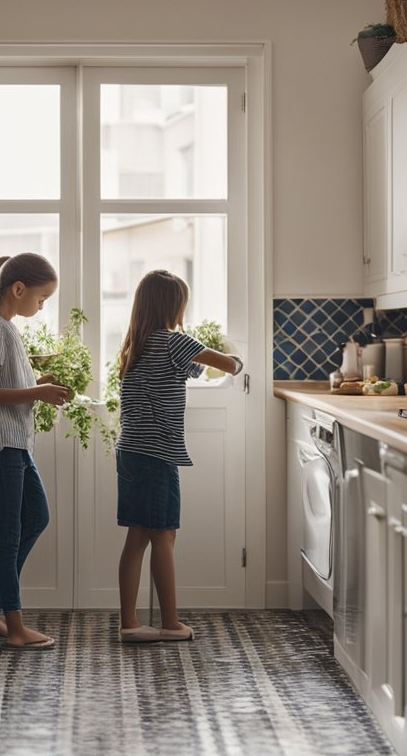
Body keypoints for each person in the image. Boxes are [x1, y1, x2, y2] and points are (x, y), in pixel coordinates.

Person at [114, 270, 243, 643]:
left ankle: (129, 621)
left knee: (136, 537)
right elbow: (229, 366)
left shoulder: (134, 345)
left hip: (131, 451)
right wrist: (237, 357)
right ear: (174, 306)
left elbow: (192, 370)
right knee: (165, 536)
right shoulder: (174, 341)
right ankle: (170, 623)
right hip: (157, 454)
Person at [0, 253, 71, 650]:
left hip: (14, 442)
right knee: (8, 534)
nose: (42, 307)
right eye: (42, 299)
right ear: (19, 289)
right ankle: (13, 625)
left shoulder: (5, 327)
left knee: (36, 517)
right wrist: (37, 392)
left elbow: (4, 380)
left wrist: (38, 382)